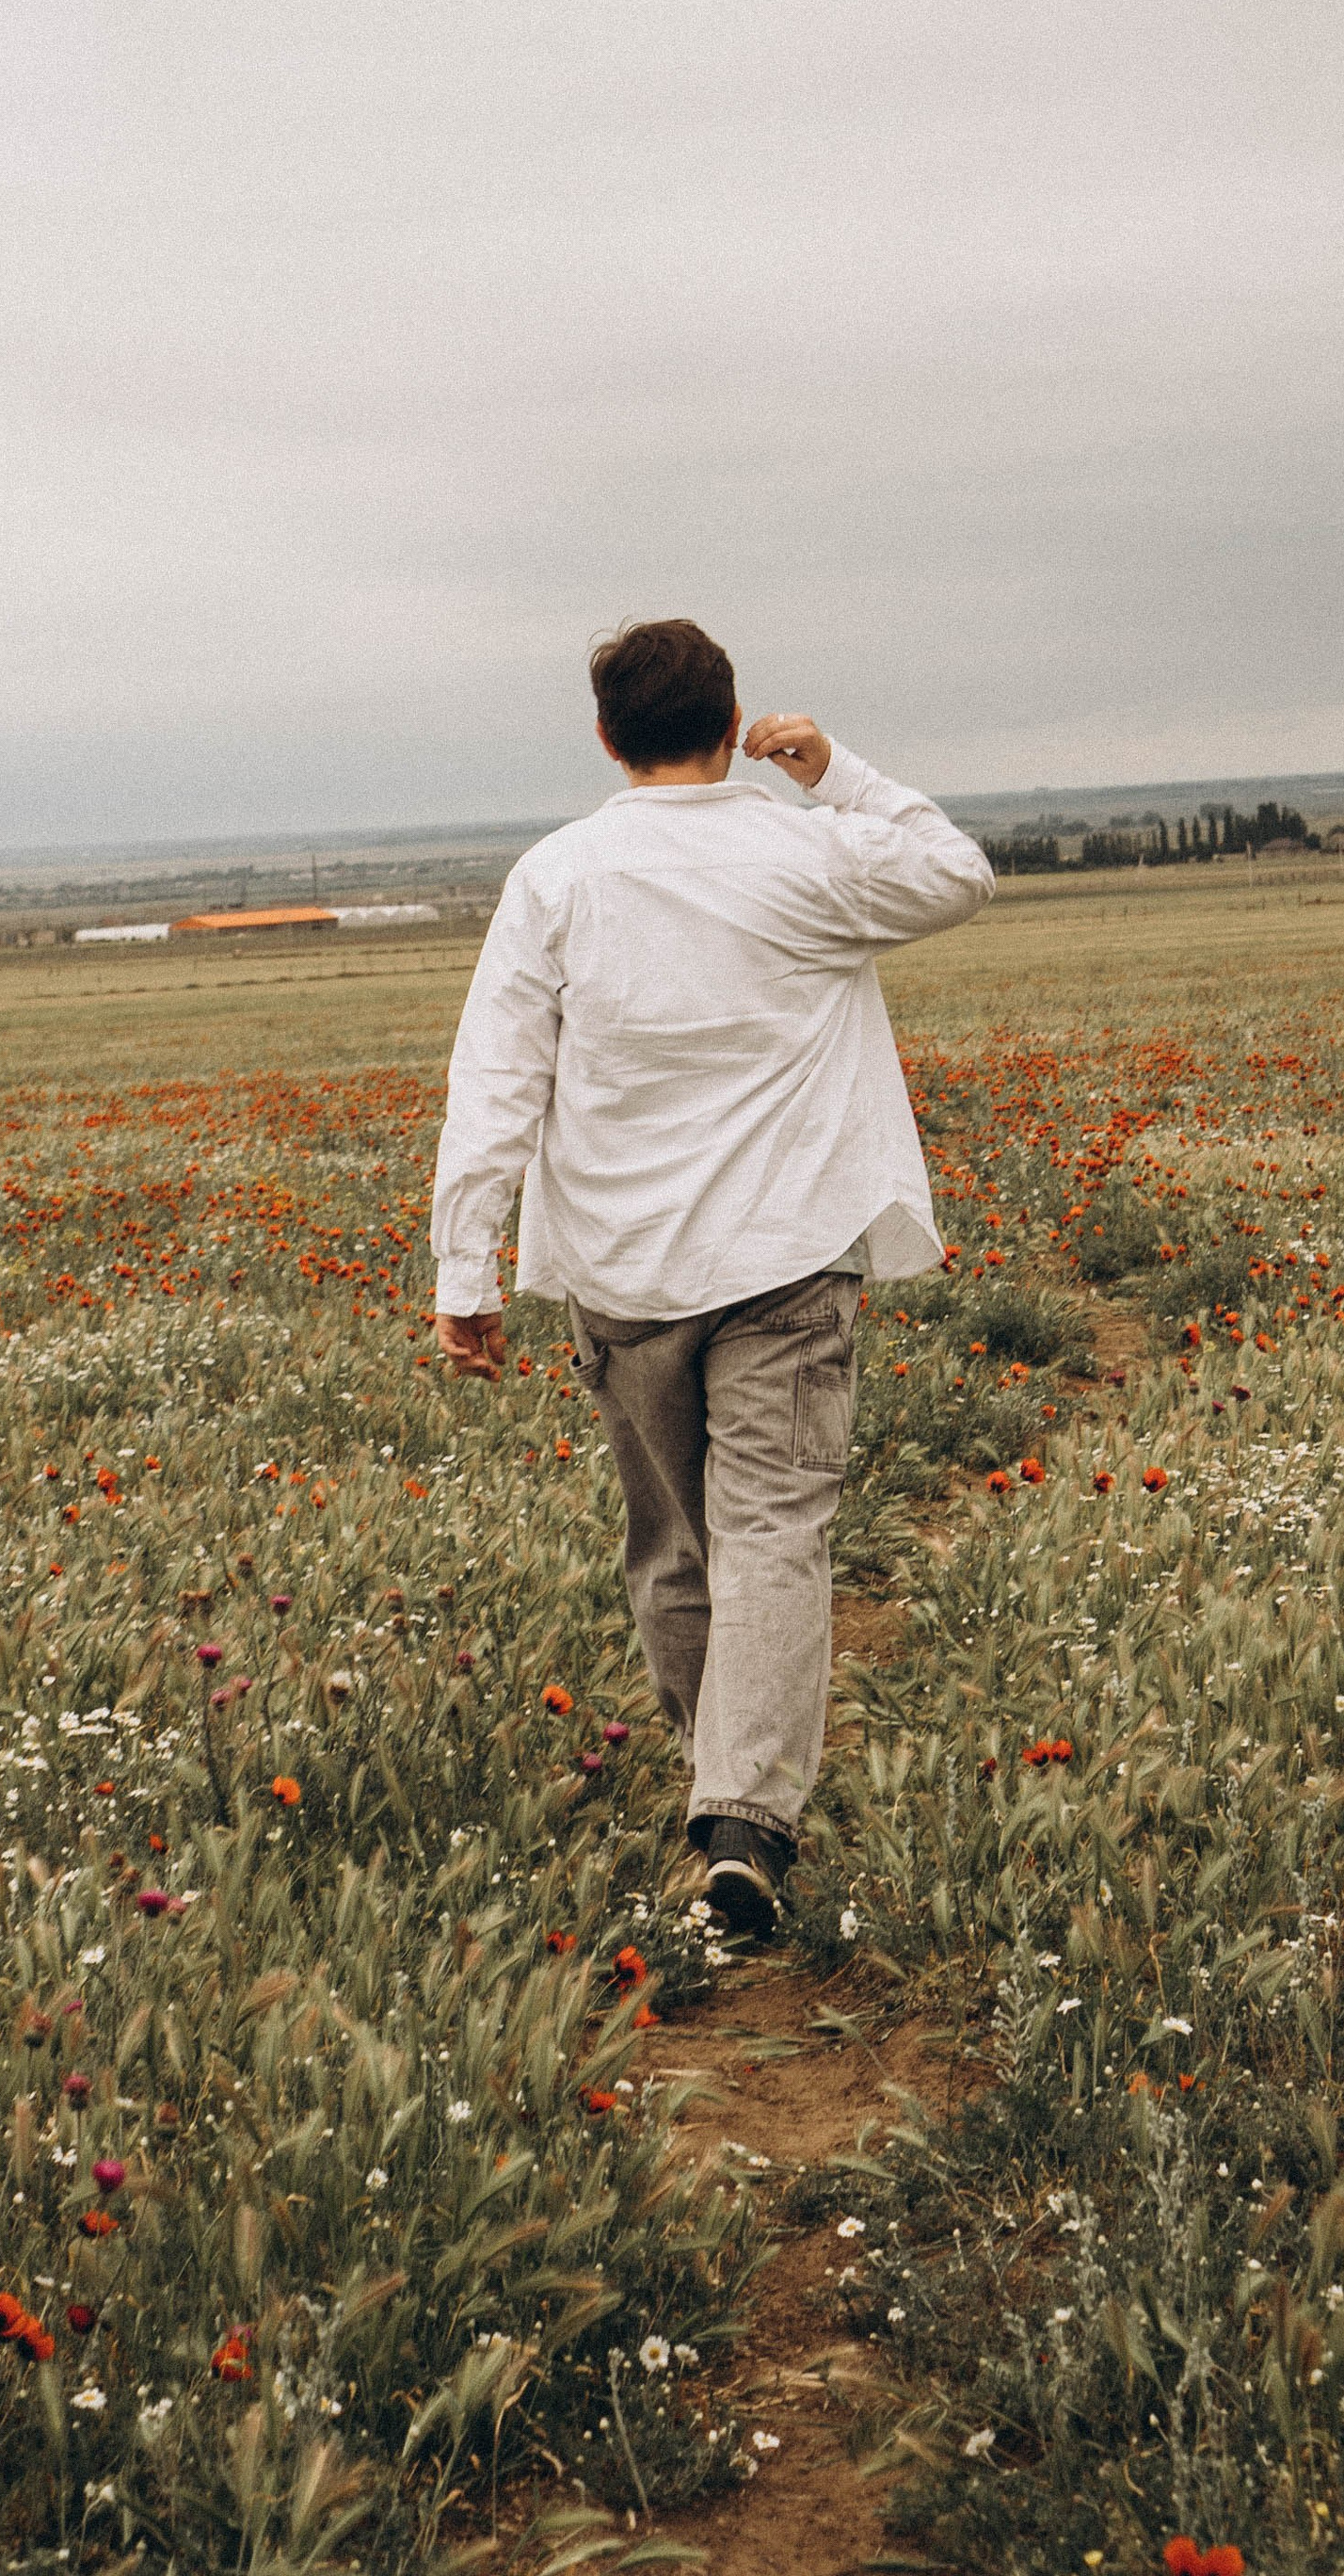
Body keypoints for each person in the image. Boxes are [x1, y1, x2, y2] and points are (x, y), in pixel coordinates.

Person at [429, 618, 993, 1942]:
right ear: (734, 722)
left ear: (608, 737)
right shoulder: (807, 849)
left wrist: (469, 1270)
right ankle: (740, 1816)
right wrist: (837, 770)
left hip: (622, 1275)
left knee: (677, 1546)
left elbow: (496, 1080)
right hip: (790, 1258)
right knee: (773, 1534)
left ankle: (728, 1800)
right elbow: (957, 873)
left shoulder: (556, 877)